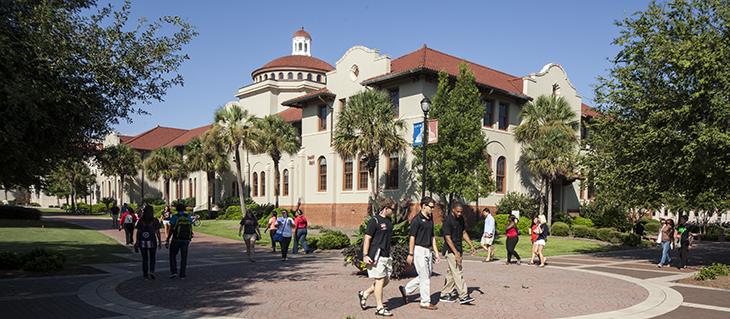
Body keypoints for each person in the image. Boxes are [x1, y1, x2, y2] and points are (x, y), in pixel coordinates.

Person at [398, 197, 441, 310]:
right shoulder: (416, 220)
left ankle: (406, 290)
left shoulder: (430, 218)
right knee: (425, 278)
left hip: (428, 250)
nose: (432, 209)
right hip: (419, 250)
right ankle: (425, 302)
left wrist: (436, 252)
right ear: (423, 206)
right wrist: (410, 254)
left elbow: (432, 236)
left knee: (426, 275)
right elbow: (412, 237)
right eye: (430, 207)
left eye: (433, 207)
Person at [358, 197, 396, 317]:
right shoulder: (374, 221)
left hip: (387, 255)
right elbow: (367, 238)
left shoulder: (389, 222)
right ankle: (379, 308)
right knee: (379, 280)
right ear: (386, 208)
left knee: (386, 280)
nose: (394, 212)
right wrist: (365, 255)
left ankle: (365, 293)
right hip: (377, 255)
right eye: (392, 209)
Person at [439, 202, 476, 305]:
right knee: (458, 271)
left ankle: (444, 294)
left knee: (451, 273)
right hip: (451, 250)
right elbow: (447, 238)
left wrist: (471, 245)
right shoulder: (447, 220)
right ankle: (463, 296)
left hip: (458, 249)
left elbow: (463, 232)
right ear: (453, 210)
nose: (459, 213)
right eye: (458, 211)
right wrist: (456, 253)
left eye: (461, 212)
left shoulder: (461, 219)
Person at [133, 205, 161, 279]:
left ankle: (145, 274)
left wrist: (137, 242)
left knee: (145, 259)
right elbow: (157, 232)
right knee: (152, 258)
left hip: (143, 241)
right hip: (152, 241)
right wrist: (160, 241)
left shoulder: (141, 220)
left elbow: (138, 232)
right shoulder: (155, 220)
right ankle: (152, 271)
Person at [166, 203, 193, 279]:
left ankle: (174, 271)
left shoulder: (175, 217)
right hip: (186, 239)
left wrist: (168, 239)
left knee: (172, 255)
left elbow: (171, 229)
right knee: (184, 257)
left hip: (176, 239)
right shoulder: (187, 216)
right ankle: (182, 274)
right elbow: (190, 226)